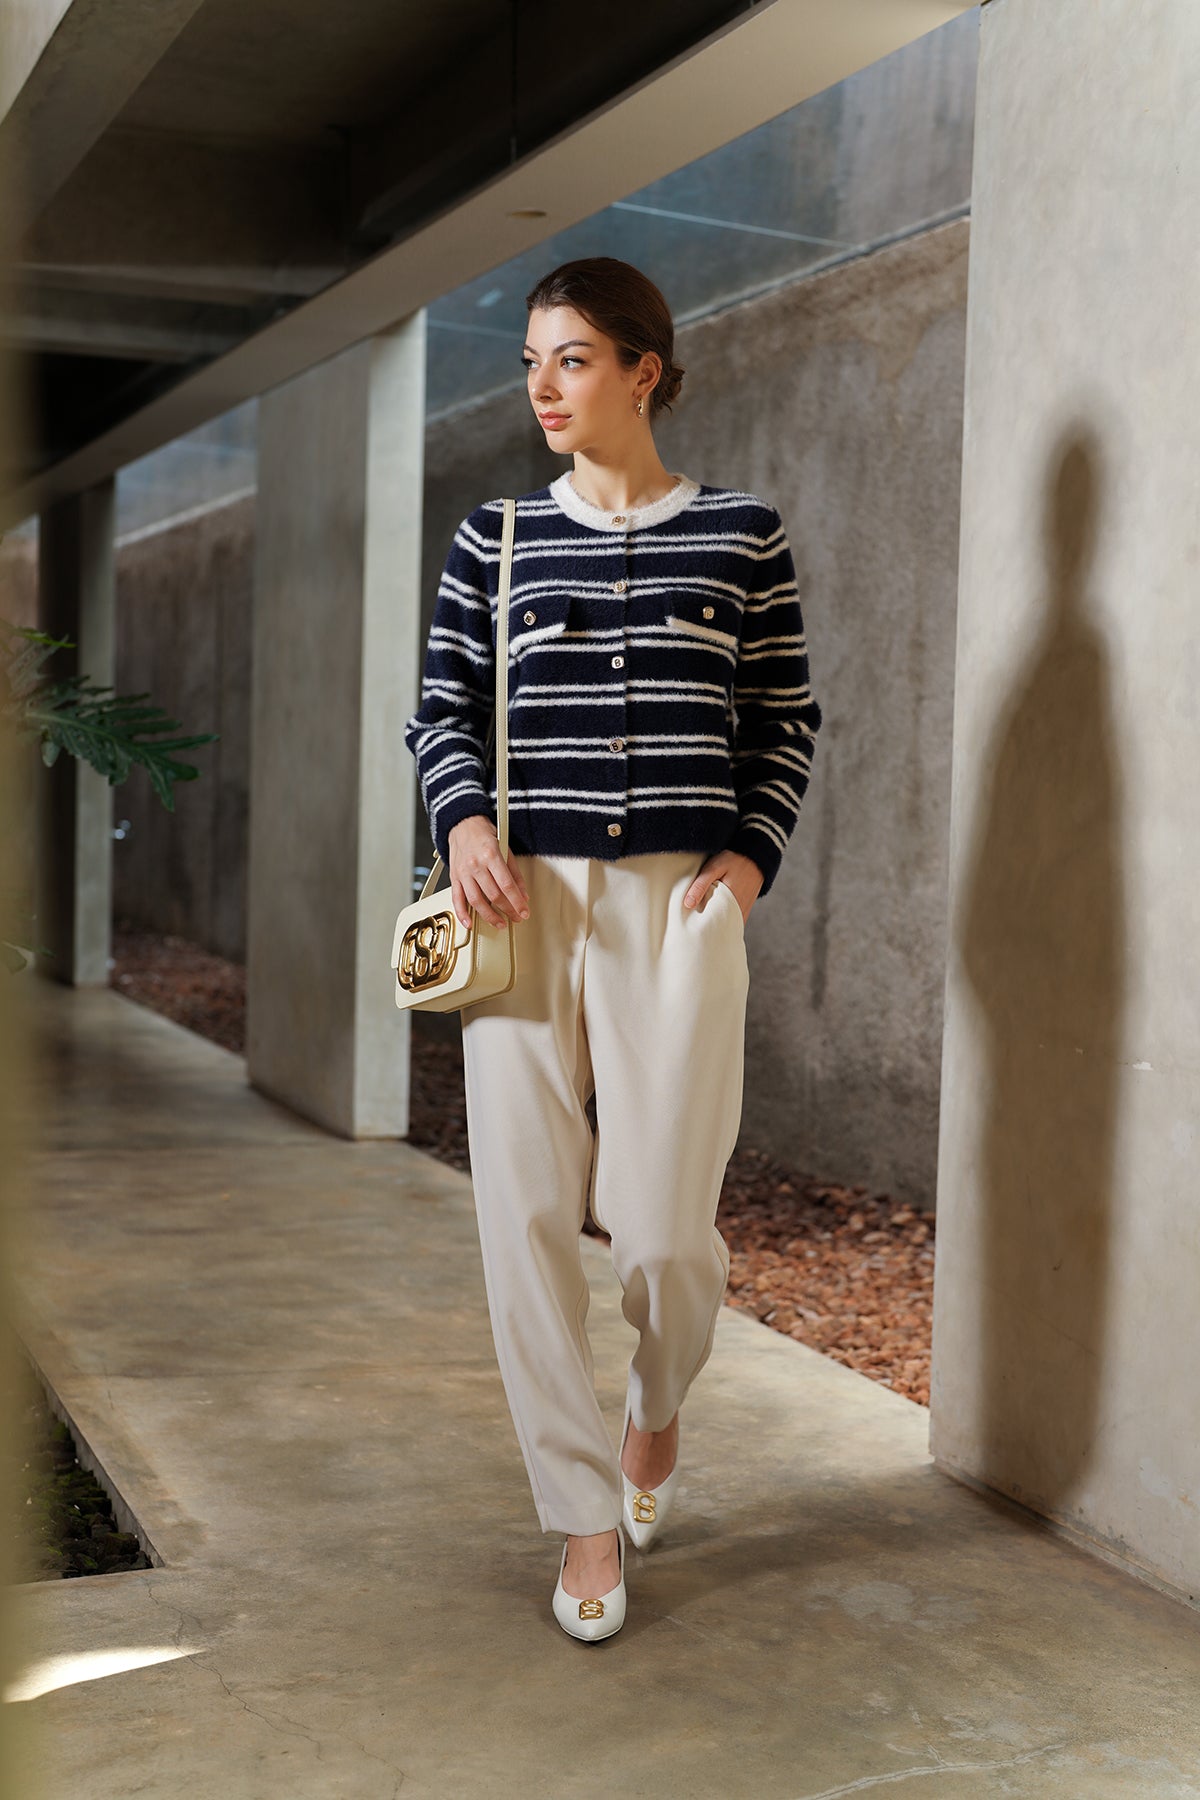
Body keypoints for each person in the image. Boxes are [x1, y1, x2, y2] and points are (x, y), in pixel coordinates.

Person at [404, 255, 821, 1643]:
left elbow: (785, 721)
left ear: (645, 370)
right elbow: (441, 708)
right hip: (519, 903)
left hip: (679, 910)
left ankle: (656, 1401)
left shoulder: (743, 536)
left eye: (572, 359)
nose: (543, 387)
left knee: (662, 1234)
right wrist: (464, 820)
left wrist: (746, 865)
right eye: (531, 361)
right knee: (524, 1213)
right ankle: (582, 1516)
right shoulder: (496, 539)